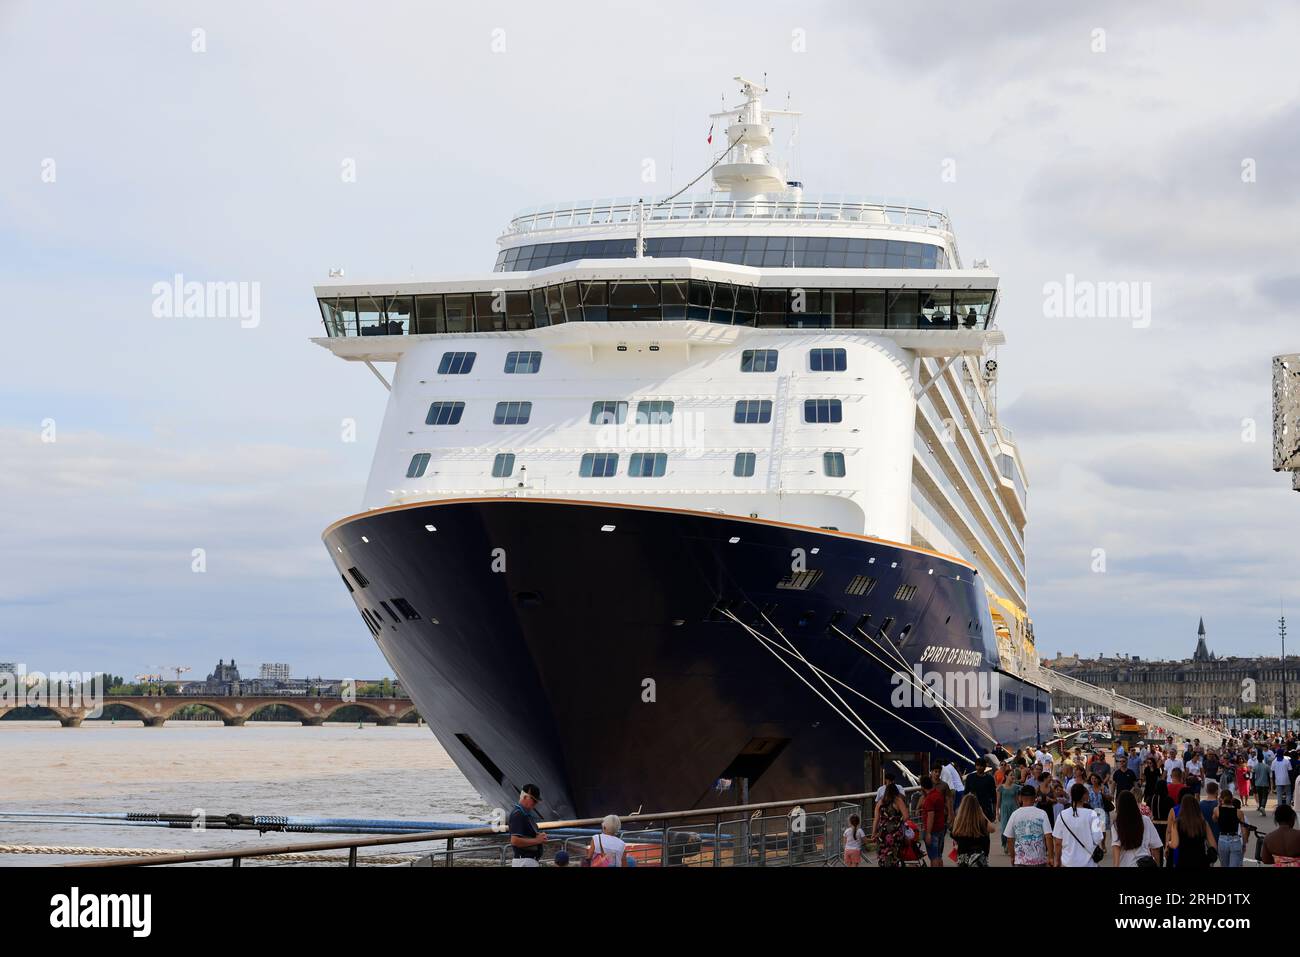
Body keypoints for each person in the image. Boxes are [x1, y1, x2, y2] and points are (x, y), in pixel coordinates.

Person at [1053, 782, 1104, 868]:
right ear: (1084, 796)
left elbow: (1058, 843)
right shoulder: (1092, 814)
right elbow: (1098, 838)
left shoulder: (1062, 815)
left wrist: (1057, 860)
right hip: (1088, 863)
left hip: (1068, 862)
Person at [1003, 785, 1053, 867]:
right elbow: (1048, 836)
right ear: (1035, 798)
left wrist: (1012, 857)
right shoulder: (1042, 813)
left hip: (1020, 861)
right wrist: (1051, 857)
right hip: (1039, 861)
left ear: (1021, 798)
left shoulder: (1015, 814)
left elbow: (1009, 839)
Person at [1112, 789, 1163, 867]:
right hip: (1144, 863)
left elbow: (1116, 849)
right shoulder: (1145, 820)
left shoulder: (1117, 824)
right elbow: (1156, 847)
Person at [1168, 793, 1216, 868]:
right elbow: (1213, 844)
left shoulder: (1177, 823)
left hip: (1184, 861)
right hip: (1201, 861)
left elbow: (1175, 844)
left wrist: (1168, 843)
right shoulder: (1203, 823)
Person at [950, 793, 997, 866]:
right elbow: (993, 829)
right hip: (980, 859)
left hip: (963, 860)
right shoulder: (982, 822)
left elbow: (953, 834)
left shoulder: (959, 823)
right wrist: (982, 814)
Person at [508, 783, 548, 867]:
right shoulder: (518, 814)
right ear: (525, 797)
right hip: (524, 861)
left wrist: (539, 836)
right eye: (534, 800)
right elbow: (515, 841)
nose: (535, 803)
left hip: (526, 861)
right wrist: (538, 840)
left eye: (536, 801)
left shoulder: (524, 813)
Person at [871, 781, 909, 867]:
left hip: (882, 834)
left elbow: (876, 819)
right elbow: (906, 816)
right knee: (894, 856)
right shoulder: (898, 801)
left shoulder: (880, 802)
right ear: (896, 791)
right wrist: (898, 821)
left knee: (883, 856)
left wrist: (873, 833)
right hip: (894, 833)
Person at [918, 776, 947, 867]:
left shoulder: (929, 799)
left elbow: (930, 816)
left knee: (933, 857)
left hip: (933, 830)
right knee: (939, 855)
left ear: (922, 787)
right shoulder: (938, 794)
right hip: (941, 828)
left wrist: (928, 833)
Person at [1213, 787, 1245, 868]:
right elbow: (1243, 830)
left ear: (1221, 799)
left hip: (1222, 839)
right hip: (1235, 839)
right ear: (1232, 799)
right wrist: (1244, 843)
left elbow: (1214, 820)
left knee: (1224, 865)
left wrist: (1219, 804)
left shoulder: (1217, 810)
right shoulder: (1239, 812)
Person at [965, 758, 998, 824]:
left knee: (985, 831)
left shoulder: (990, 779)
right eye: (977, 765)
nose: (979, 767)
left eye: (981, 766)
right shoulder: (970, 777)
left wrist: (994, 812)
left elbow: (994, 796)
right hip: (973, 808)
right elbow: (966, 793)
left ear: (985, 767)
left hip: (986, 809)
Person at [997, 766, 1021, 852]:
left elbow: (1017, 800)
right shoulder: (1001, 787)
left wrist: (1019, 810)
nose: (1013, 777)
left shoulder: (1015, 787)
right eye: (1011, 775)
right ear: (1006, 776)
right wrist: (997, 813)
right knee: (1004, 827)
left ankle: (1011, 845)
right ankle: (1005, 844)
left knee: (1013, 828)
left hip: (1013, 809)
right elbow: (998, 801)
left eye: (1013, 775)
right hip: (1004, 809)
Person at [1252, 749, 1273, 815]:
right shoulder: (1266, 766)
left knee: (1260, 796)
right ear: (1263, 758)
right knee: (1265, 796)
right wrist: (1270, 785)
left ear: (1257, 759)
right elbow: (1269, 776)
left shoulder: (1255, 767)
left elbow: (1253, 777)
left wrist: (1253, 785)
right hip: (1265, 783)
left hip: (1257, 783)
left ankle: (1261, 808)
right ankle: (1262, 807)